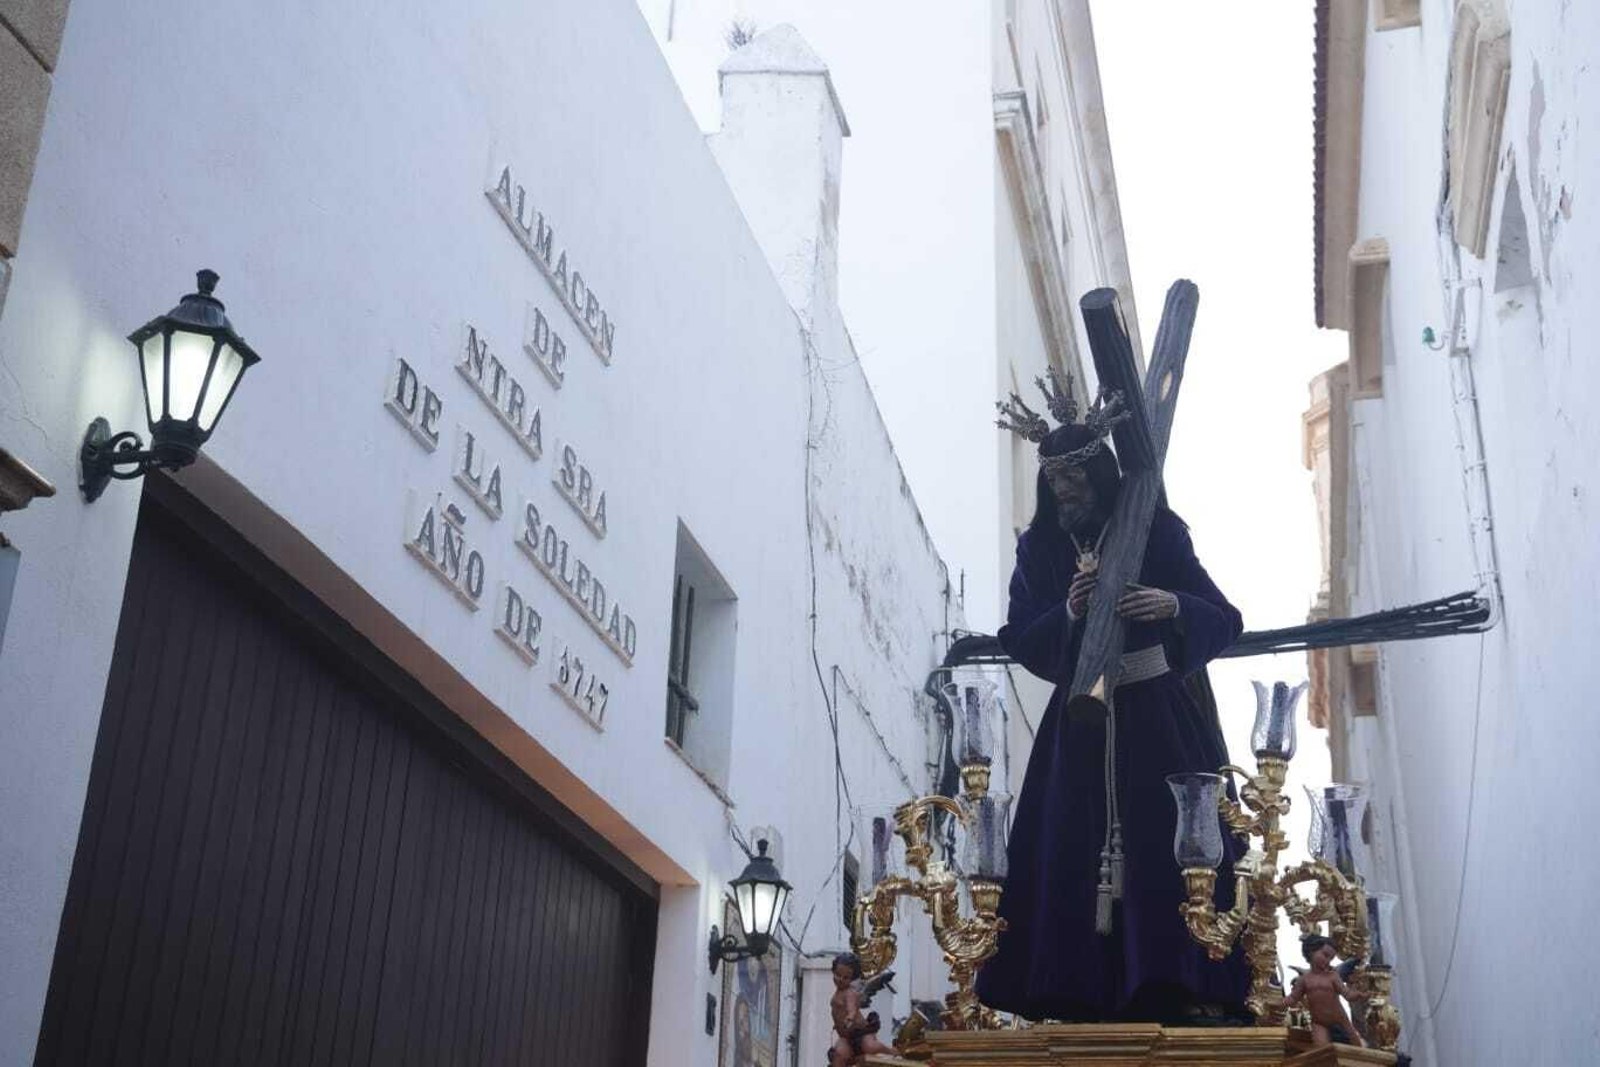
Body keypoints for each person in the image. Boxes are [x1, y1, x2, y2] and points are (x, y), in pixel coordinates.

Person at [977, 373, 1250, 1024]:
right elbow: (1022, 633)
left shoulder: (1155, 527)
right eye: (1055, 486)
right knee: (1065, 844)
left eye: (1073, 482)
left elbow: (1224, 614)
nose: (1064, 495)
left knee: (1171, 849)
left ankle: (1178, 982)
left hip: (1158, 712)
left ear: (1097, 474)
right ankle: (1071, 991)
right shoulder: (1040, 547)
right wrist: (1067, 614)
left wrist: (1172, 604)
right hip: (1080, 721)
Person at [1288, 935, 1366, 1046]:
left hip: (1338, 1017)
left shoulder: (1332, 975)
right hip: (1318, 1021)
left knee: (1354, 1042)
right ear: (1311, 952)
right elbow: (1293, 998)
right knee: (1322, 1050)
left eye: (1330, 958)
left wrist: (1359, 994)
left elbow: (1347, 994)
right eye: (1325, 955)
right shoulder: (1304, 980)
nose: (1328, 961)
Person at [828, 953, 893, 1066]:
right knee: (839, 1054)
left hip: (860, 1032)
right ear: (833, 971)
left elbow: (851, 1009)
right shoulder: (838, 993)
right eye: (838, 975)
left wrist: (849, 1018)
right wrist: (837, 1023)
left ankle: (891, 1051)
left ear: (852, 979)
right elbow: (838, 1012)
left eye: (846, 977)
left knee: (870, 1047)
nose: (840, 979)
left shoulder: (850, 993)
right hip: (845, 1036)